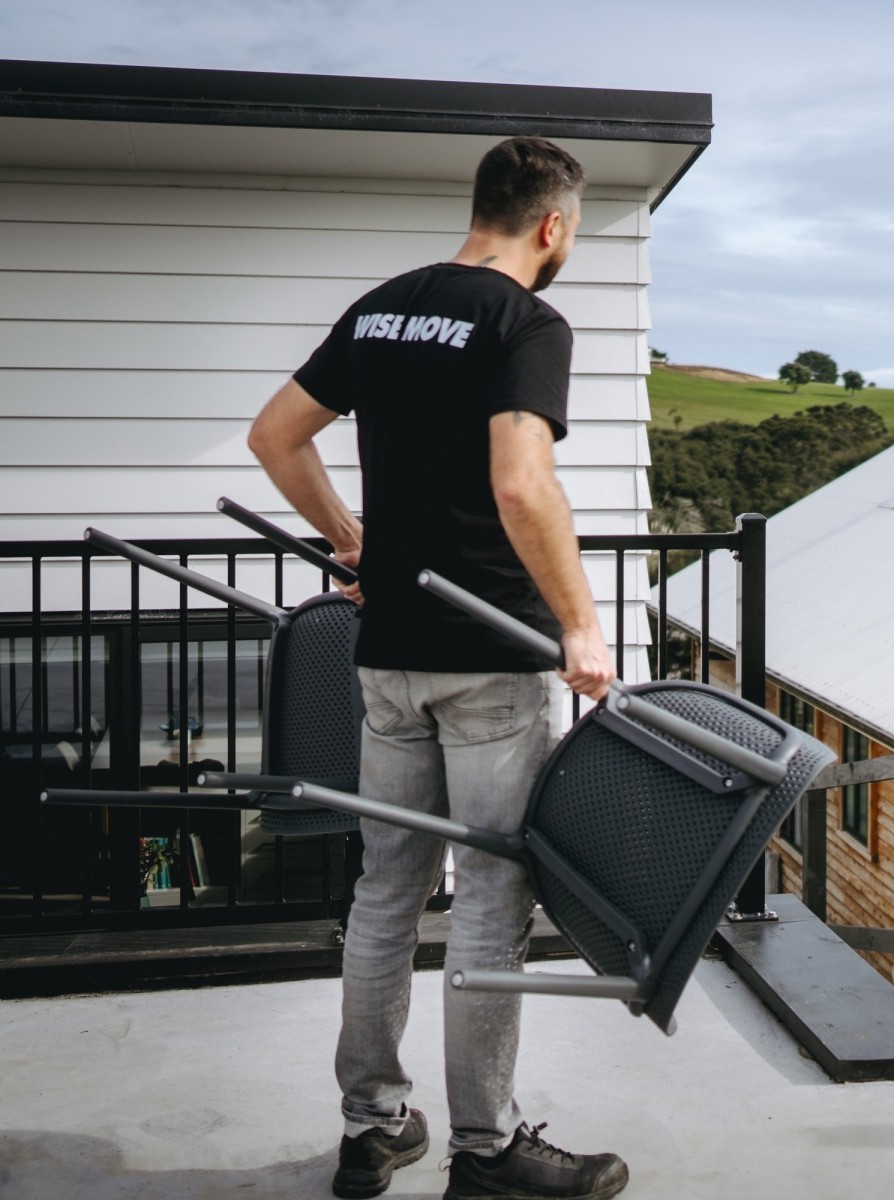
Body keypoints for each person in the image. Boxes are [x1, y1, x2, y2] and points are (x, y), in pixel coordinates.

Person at [248, 135, 626, 1200]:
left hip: (389, 662)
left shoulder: (381, 308)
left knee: (384, 894)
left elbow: (275, 436)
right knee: (491, 903)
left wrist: (352, 541)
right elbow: (523, 485)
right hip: (490, 661)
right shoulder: (525, 321)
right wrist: (581, 623)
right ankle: (487, 1149)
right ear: (551, 226)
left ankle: (371, 1129)